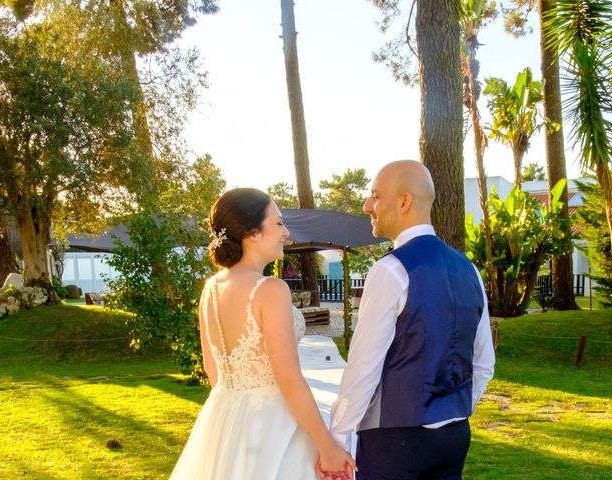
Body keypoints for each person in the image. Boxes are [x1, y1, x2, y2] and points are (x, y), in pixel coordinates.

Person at [169, 187, 355, 480]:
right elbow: (289, 378)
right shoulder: (270, 289)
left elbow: (213, 370)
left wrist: (235, 420)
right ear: (253, 232)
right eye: (278, 222)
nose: (286, 232)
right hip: (274, 424)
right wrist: (327, 447)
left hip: (224, 417)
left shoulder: (212, 289)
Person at [328, 161, 495, 480]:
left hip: (394, 442)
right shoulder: (469, 269)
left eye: (375, 196)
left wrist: (338, 437)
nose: (367, 205)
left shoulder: (390, 270)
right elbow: (483, 363)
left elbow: (364, 368)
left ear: (403, 202)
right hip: (453, 438)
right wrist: (451, 413)